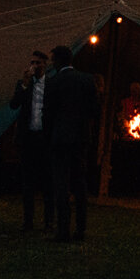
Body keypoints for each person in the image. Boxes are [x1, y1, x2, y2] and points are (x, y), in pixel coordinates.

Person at [43, 44, 101, 241]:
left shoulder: (54, 82)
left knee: (61, 183)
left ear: (58, 61)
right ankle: (81, 227)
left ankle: (63, 229)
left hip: (60, 138)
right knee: (79, 182)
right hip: (80, 137)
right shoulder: (86, 79)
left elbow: (47, 114)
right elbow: (95, 109)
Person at [9, 51, 51, 231]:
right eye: (32, 62)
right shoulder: (24, 84)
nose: (34, 66)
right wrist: (24, 86)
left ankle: (49, 221)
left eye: (38, 63)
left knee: (48, 181)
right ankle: (28, 220)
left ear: (45, 65)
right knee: (27, 181)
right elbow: (13, 104)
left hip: (45, 137)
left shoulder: (51, 85)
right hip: (28, 137)